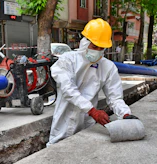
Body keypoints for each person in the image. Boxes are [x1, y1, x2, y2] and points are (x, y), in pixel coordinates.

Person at [47, 18, 138, 147]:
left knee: (84, 151)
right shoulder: (67, 60)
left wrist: (125, 114)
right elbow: (68, 90)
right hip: (64, 121)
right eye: (94, 46)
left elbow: (115, 97)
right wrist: (92, 111)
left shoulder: (108, 67)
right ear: (85, 42)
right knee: (56, 151)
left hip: (87, 124)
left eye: (101, 48)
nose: (97, 51)